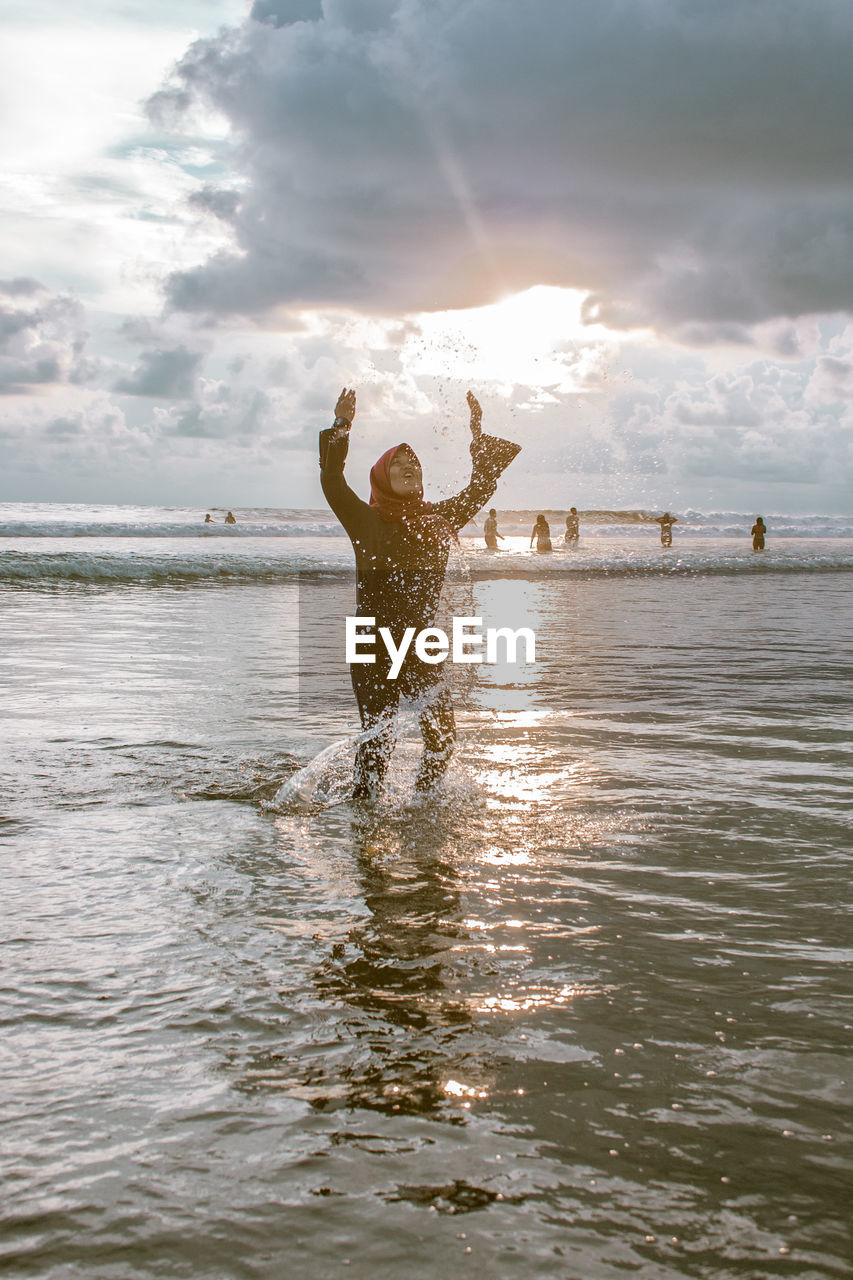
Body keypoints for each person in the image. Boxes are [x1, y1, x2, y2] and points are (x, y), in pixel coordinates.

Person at [319, 387, 520, 801]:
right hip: (373, 643)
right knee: (379, 741)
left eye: (415, 462)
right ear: (381, 476)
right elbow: (331, 480)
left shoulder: (437, 519)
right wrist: (341, 426)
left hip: (422, 643)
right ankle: (365, 813)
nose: (411, 466)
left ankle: (421, 805)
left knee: (443, 739)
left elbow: (479, 489)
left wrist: (478, 436)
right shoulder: (364, 519)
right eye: (400, 463)